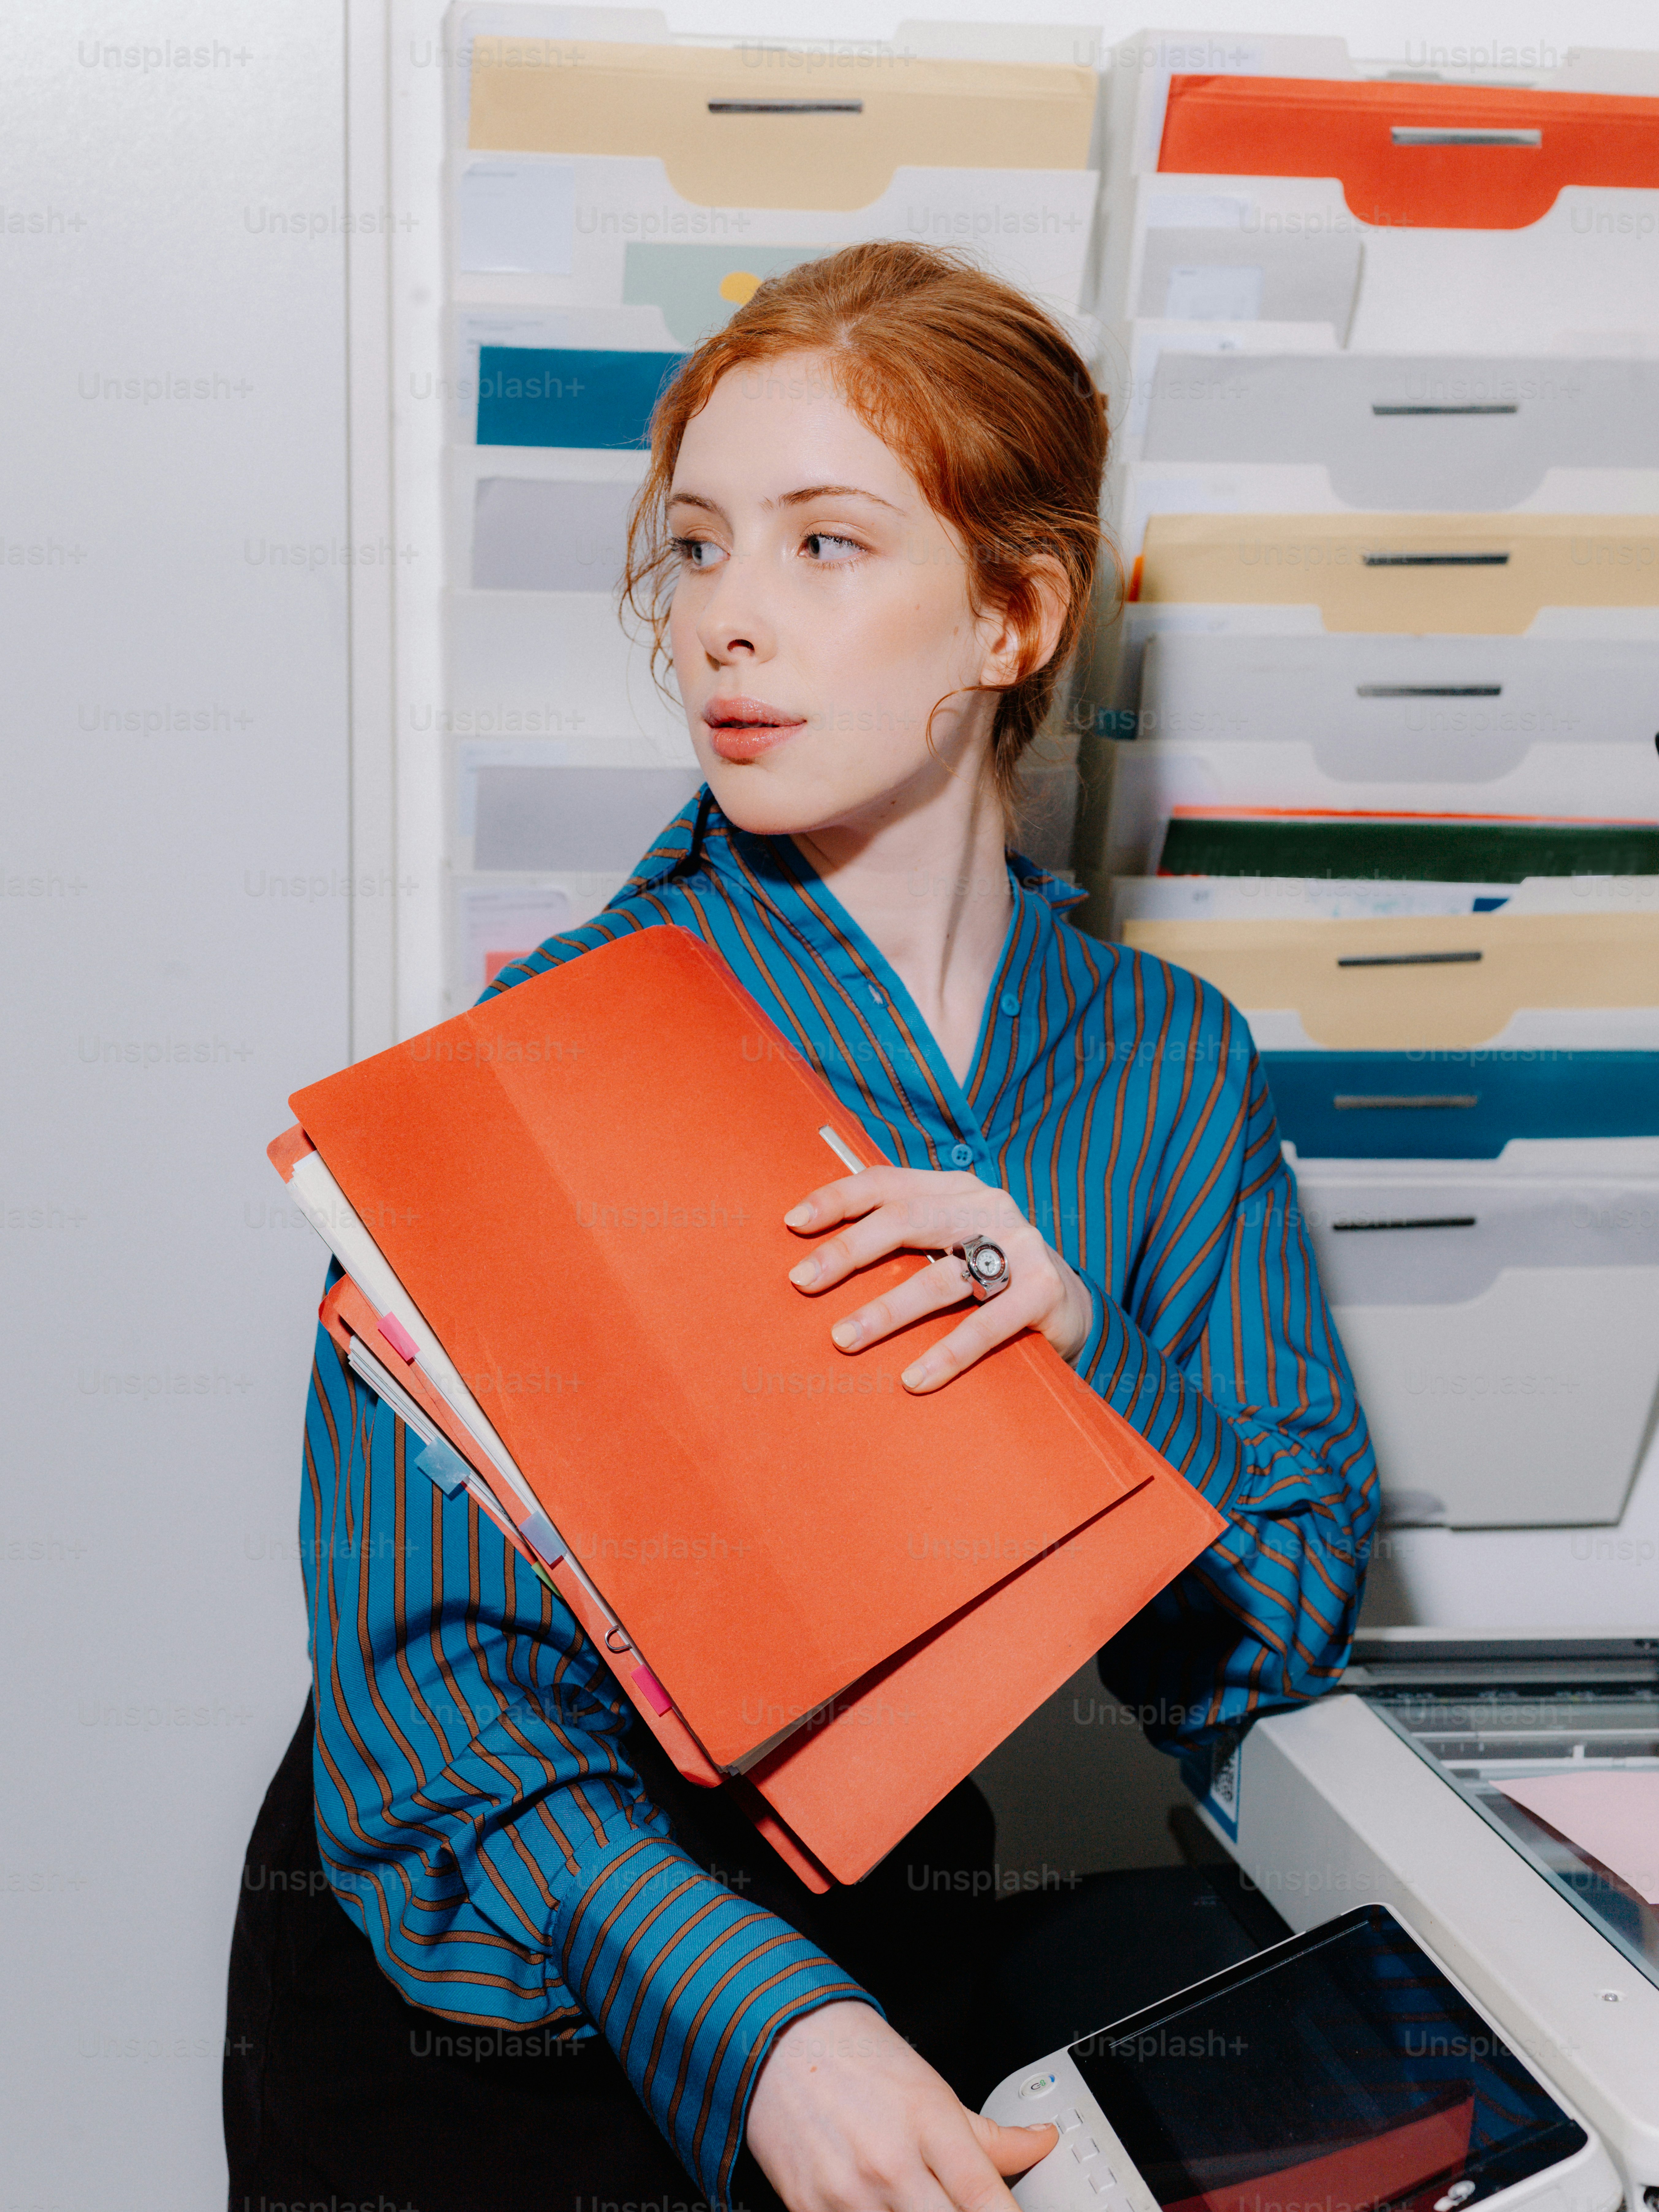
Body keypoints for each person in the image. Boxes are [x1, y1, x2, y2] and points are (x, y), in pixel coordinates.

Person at [224, 242, 1377, 2212]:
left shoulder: (1167, 1061)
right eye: (694, 550)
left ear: (1012, 614)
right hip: (539, 1961)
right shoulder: (534, 1072)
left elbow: (1278, 1597)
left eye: (825, 547)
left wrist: (1086, 1357)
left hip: (998, 1854)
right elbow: (437, 1706)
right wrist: (768, 2023)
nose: (723, 624)